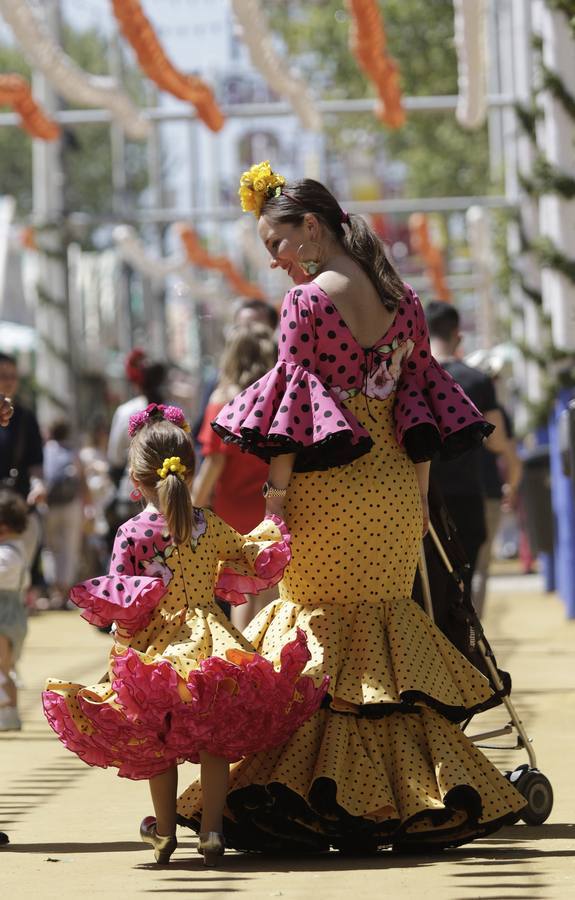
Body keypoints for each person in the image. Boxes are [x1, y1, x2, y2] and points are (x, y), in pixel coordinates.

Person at [176, 161, 525, 852]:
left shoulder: (305, 304)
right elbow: (418, 405)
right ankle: (408, 793)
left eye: (276, 243)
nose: (273, 260)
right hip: (394, 486)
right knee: (383, 636)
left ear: (311, 228)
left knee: (319, 634)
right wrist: (416, 494)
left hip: (327, 491)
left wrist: (276, 499)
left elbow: (291, 414)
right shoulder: (403, 299)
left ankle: (319, 796)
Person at [42, 403, 326, 866]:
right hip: (213, 641)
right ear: (190, 473)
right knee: (215, 737)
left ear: (135, 481)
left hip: (157, 648)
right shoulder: (208, 524)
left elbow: (124, 602)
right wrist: (273, 518)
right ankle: (212, 832)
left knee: (158, 739)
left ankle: (164, 831)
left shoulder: (131, 533)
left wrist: (124, 649)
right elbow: (252, 553)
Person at [426, 302, 521, 594]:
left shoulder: (412, 378)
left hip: (423, 495)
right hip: (467, 494)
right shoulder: (477, 380)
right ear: (457, 334)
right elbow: (497, 440)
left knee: (430, 581)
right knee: (467, 579)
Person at [194, 323, 277, 628]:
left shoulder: (222, 400)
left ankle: (243, 652)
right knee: (270, 586)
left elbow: (214, 461)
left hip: (232, 509)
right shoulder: (276, 397)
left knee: (242, 591)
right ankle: (269, 651)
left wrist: (193, 503)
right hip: (271, 502)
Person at [106, 350, 169, 545]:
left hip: (133, 495)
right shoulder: (174, 412)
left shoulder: (126, 411)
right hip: (169, 495)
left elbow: (115, 457)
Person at [0, 353, 46, 605]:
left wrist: (38, 485)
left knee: (16, 577)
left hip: (17, 507)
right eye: (3, 376)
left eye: (12, 376)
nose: (8, 382)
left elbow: (35, 462)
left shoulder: (26, 418)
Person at [42, 419, 88, 607]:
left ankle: (54, 591)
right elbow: (82, 479)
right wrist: (88, 505)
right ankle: (65, 592)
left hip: (49, 504)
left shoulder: (45, 450)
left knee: (51, 548)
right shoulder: (73, 451)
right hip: (71, 505)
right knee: (69, 548)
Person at [0, 490, 29, 732]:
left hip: (5, 618)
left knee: (3, 667)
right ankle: (10, 713)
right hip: (11, 615)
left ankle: (8, 711)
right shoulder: (15, 549)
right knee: (4, 669)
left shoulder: (8, 554)